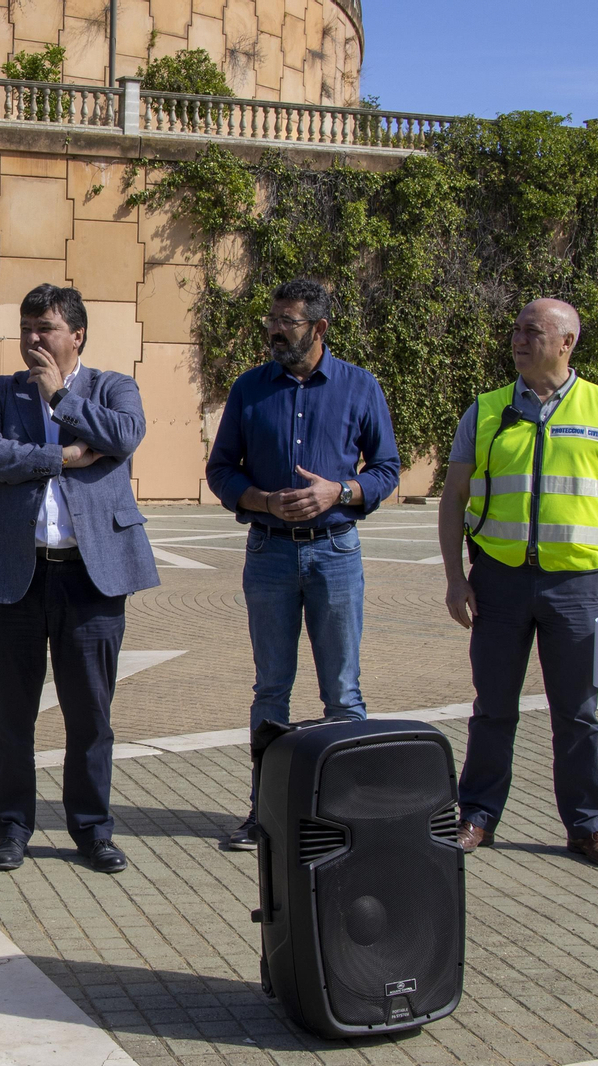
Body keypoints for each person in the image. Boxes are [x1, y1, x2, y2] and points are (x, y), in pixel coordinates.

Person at [439, 298, 598, 869]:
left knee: (578, 714)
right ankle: (476, 815)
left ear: (567, 343)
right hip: (499, 585)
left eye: (532, 331)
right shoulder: (485, 411)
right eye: (515, 329)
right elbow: (453, 499)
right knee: (493, 709)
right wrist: (456, 578)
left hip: (576, 588)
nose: (518, 338)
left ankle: (586, 826)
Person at [0, 283, 160, 875]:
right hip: (14, 576)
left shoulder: (112, 388)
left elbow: (123, 437)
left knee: (91, 714)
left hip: (90, 579)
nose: (31, 339)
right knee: (10, 715)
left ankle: (92, 829)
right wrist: (67, 455)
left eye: (44, 328)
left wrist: (60, 399)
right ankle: (13, 827)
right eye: (25, 327)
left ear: (76, 334)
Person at [205, 277, 401, 851]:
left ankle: (348, 816)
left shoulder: (359, 387)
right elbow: (221, 470)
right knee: (272, 689)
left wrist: (339, 492)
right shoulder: (249, 389)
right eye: (271, 319)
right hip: (268, 553)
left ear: (318, 328)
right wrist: (262, 500)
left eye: (285, 322)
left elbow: (386, 468)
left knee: (343, 692)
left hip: (335, 550)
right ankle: (265, 814)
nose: (272, 331)